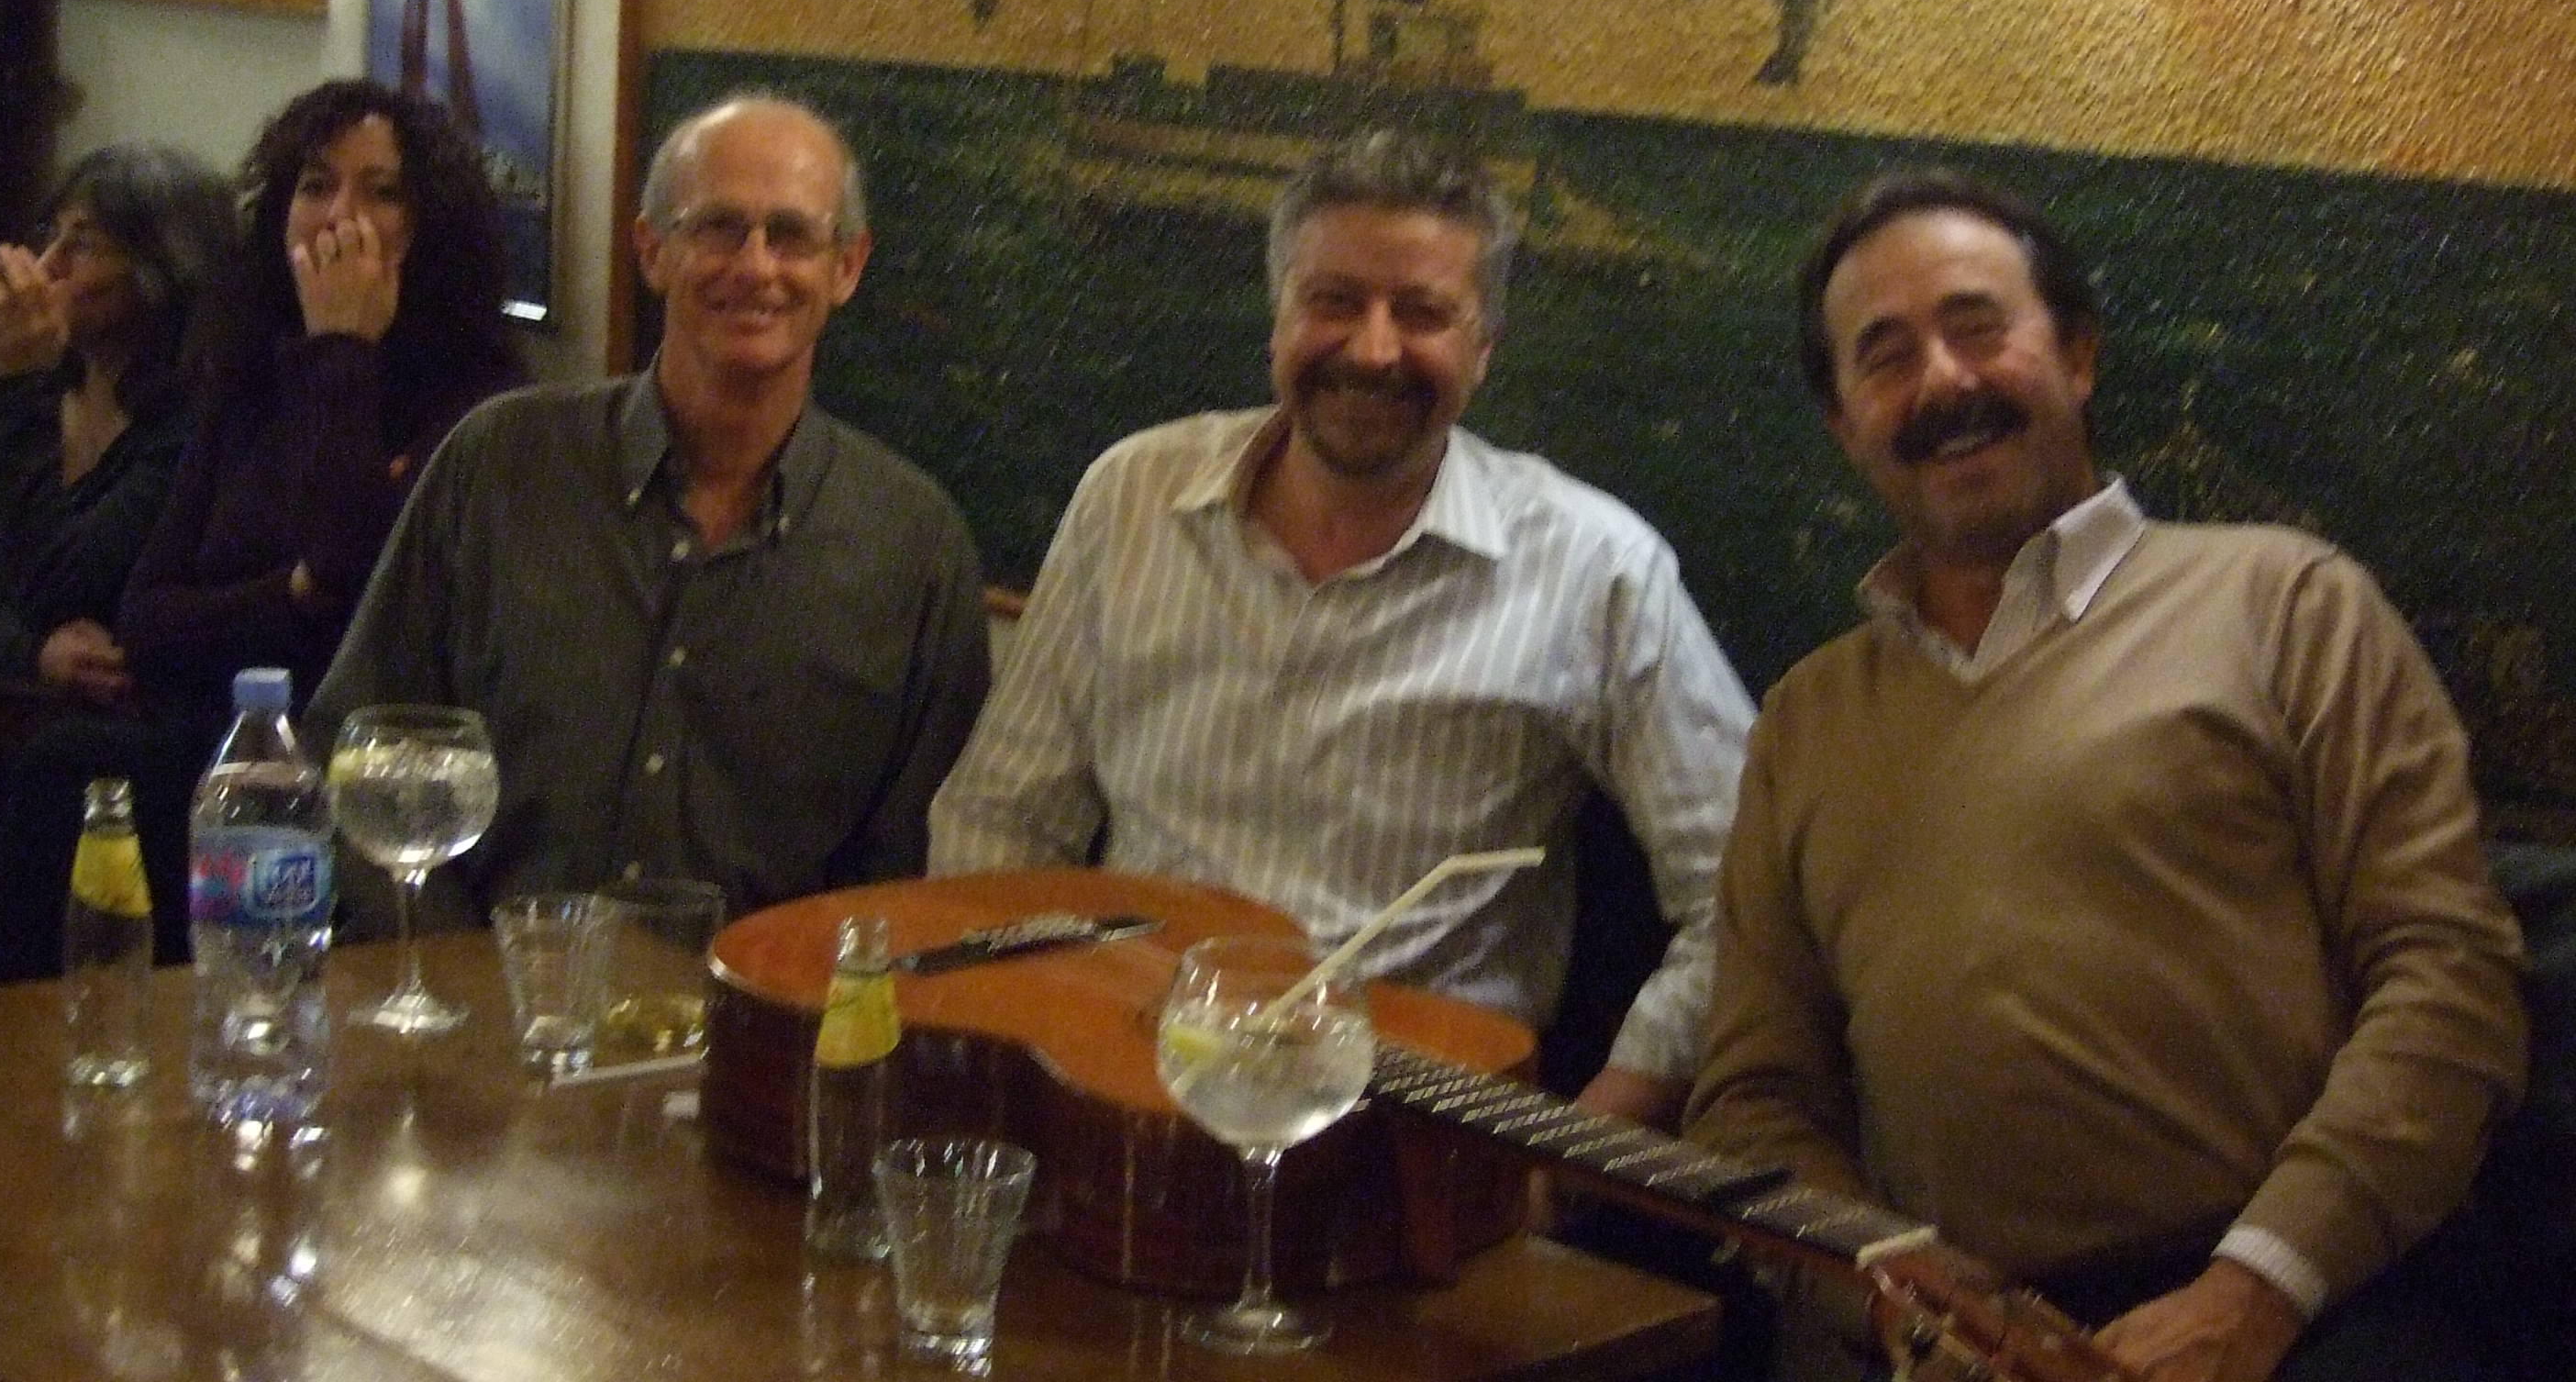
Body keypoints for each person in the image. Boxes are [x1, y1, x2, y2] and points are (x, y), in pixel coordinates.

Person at [1685, 168, 2528, 1382]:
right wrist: (1889, 1289)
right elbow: (1754, 1099)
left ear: (2076, 355)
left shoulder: (2287, 604)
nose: (1943, 382)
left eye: (1977, 327)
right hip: (1938, 1335)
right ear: (1844, 423)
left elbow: (2450, 981)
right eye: (1886, 356)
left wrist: (2257, 1289)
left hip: (2304, 1310)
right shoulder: (1806, 721)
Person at [928, 128, 1755, 1126]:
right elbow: (1001, 821)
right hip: (1124, 1081)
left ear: (1484, 349)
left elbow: (1747, 901)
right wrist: (1019, 1062)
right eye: (1333, 301)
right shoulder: (1129, 497)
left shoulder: (1596, 567)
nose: (1372, 349)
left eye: (1422, 313)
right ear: (1278, 318)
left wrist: (1583, 1140)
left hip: (1420, 1124)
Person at [310, 95, 991, 927]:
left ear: (846, 267)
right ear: (652, 250)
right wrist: (458, 974)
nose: (756, 266)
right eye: (718, 228)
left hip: (766, 1003)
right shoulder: (498, 467)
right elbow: (359, 756)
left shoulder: (913, 550)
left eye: (791, 236)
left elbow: (913, 877)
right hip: (482, 984)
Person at [0, 80, 527, 978]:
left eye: (382, 192)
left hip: (355, 762)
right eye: (316, 185)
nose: (340, 217)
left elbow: (353, 584)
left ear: (431, 225)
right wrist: (292, 593)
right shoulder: (243, 374)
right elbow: (149, 618)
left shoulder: (476, 401)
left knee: (70, 766)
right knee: (57, 775)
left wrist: (343, 349)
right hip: (206, 734)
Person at [0, 143, 236, 707]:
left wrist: (20, 382)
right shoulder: (25, 388)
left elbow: (61, 591)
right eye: (51, 236)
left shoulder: (192, 427)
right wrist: (30, 654)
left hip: (114, 726)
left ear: (162, 271)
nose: (46, 266)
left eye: (82, 244)